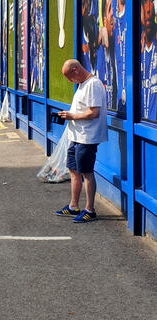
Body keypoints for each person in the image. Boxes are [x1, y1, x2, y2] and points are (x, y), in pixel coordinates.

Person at [55, 59, 107, 222]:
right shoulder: (82, 84)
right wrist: (68, 115)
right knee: (73, 170)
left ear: (76, 70)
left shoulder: (93, 84)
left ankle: (90, 210)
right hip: (76, 136)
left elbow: (94, 113)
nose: (70, 81)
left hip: (87, 137)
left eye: (70, 77)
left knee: (86, 172)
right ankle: (73, 206)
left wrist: (72, 116)